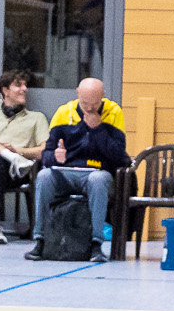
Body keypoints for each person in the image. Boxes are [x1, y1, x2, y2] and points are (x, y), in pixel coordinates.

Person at [24, 77, 127, 264]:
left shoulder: (113, 112)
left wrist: (98, 129)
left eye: (95, 104)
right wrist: (56, 156)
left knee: (98, 180)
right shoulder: (64, 112)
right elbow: (46, 155)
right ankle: (40, 240)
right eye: (85, 103)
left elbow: (119, 156)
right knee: (44, 176)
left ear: (103, 97)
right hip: (66, 172)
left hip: (96, 172)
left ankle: (96, 245)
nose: (89, 108)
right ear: (77, 94)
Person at [0, 69, 46, 243]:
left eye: (25, 85)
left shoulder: (36, 118)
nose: (24, 89)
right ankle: (1, 151)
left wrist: (18, 151)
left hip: (16, 172)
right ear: (5, 90)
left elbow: (43, 150)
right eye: (18, 85)